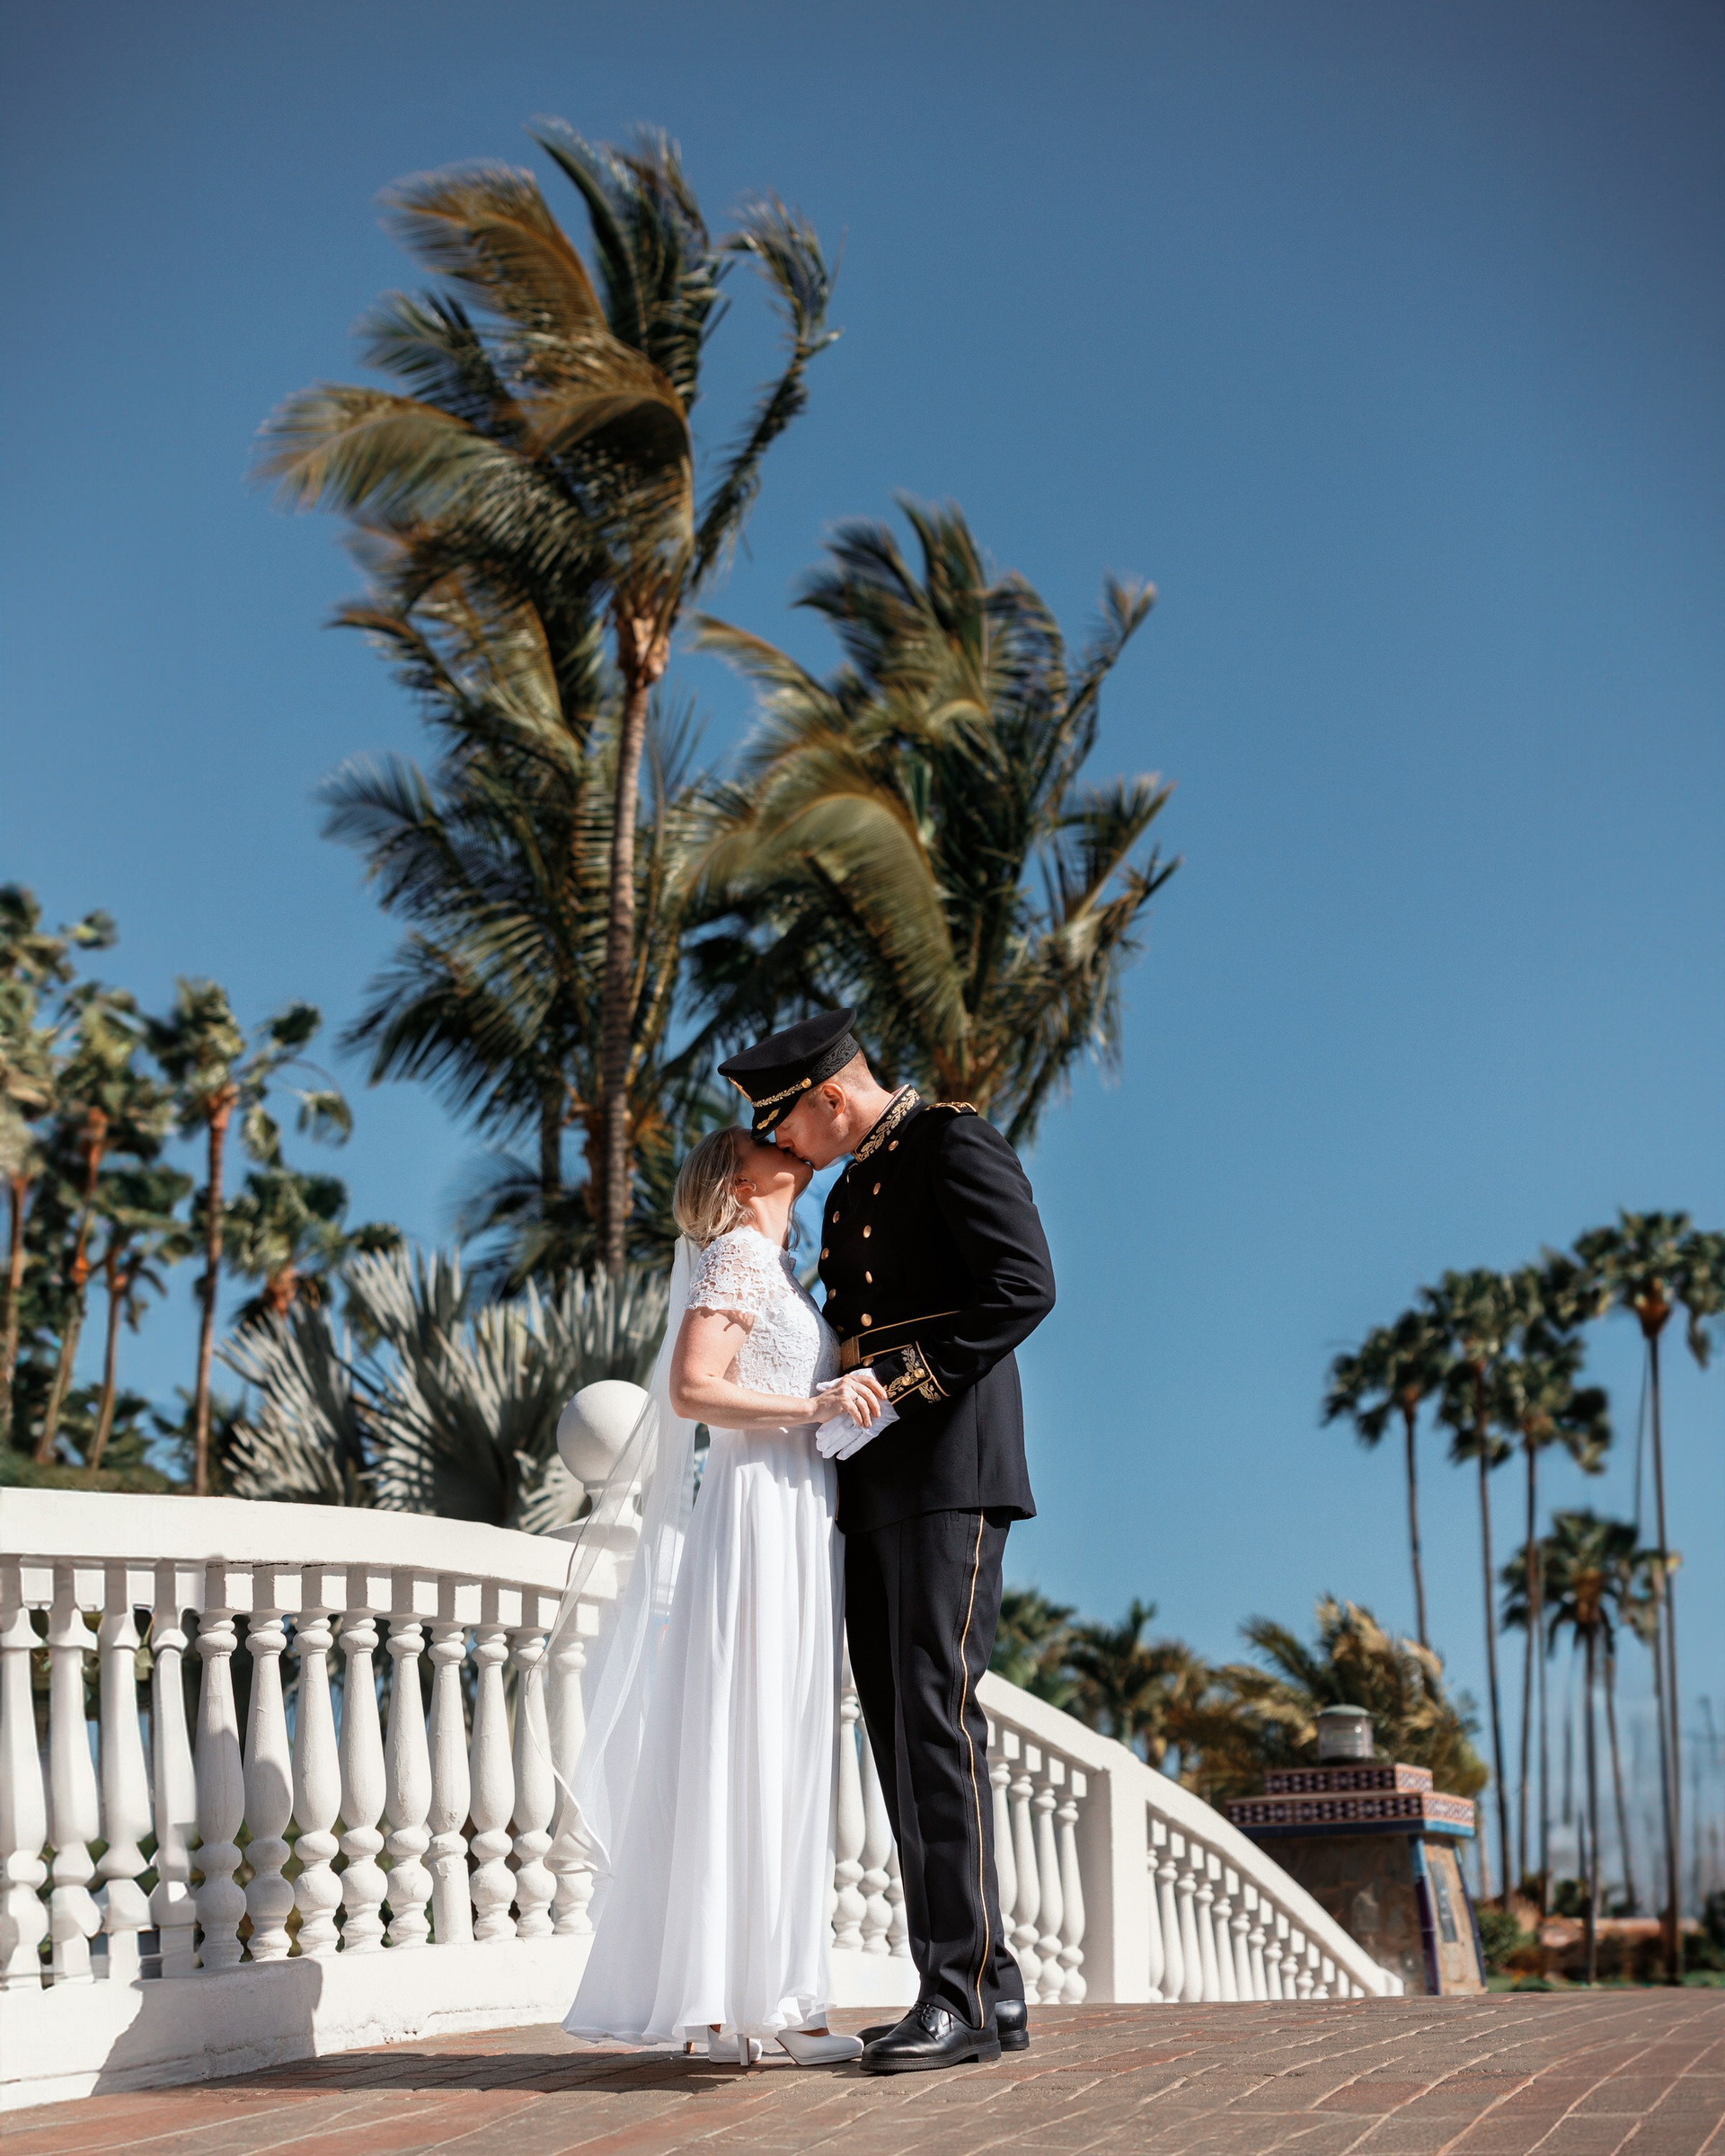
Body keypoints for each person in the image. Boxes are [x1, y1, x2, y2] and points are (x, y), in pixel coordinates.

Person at [719, 1009, 1057, 2075]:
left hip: (949, 1470)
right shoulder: (859, 1180)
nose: (783, 1147)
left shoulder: (953, 1142)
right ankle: (985, 1988)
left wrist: (905, 1384)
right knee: (903, 1735)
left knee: (934, 1723)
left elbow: (1023, 1287)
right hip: (874, 1480)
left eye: (786, 1125)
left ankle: (957, 1995)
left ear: (829, 1097)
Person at [560, 1124, 888, 2065]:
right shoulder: (739, 1255)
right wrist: (815, 1404)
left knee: (778, 1737)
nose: (789, 1142)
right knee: (752, 1732)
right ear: (740, 1181)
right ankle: (744, 2003)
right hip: (757, 1509)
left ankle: (756, 1999)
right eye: (764, 1142)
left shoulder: (776, 1267)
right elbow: (693, 1389)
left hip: (800, 1508)